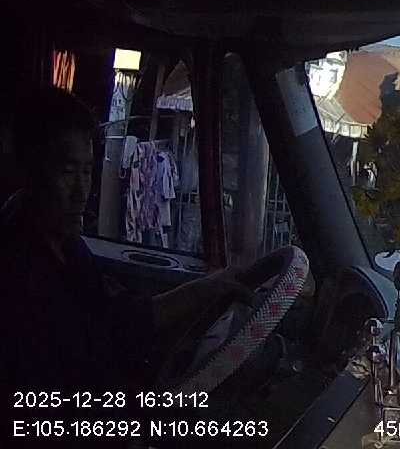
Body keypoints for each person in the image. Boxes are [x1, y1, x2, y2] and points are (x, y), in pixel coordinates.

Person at [0, 86, 250, 400]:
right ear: (28, 172)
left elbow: (120, 315)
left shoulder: (67, 246)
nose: (81, 191)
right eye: (68, 172)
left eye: (87, 172)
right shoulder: (18, 269)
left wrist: (207, 289)